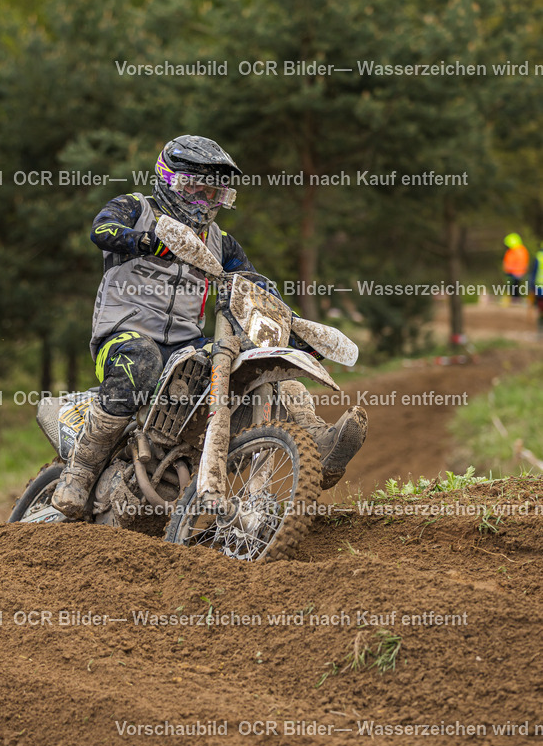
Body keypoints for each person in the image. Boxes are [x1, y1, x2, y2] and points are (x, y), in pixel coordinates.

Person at [52, 135, 367, 519]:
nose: (205, 199)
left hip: (188, 342)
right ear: (170, 180)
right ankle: (80, 472)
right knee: (142, 358)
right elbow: (101, 230)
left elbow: (254, 285)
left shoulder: (222, 244)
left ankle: (317, 441)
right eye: (196, 188)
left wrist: (292, 329)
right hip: (123, 336)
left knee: (262, 363)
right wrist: (148, 242)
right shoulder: (137, 208)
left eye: (215, 192)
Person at [502, 233, 529, 302]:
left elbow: (519, 263)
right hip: (512, 273)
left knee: (514, 288)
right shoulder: (513, 251)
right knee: (512, 287)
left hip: (516, 273)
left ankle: (516, 301)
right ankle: (514, 300)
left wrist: (511, 269)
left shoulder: (518, 251)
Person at [529, 241, 543, 334]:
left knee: (541, 309)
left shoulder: (539, 256)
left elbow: (533, 273)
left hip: (540, 288)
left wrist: (531, 286)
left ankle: (540, 330)